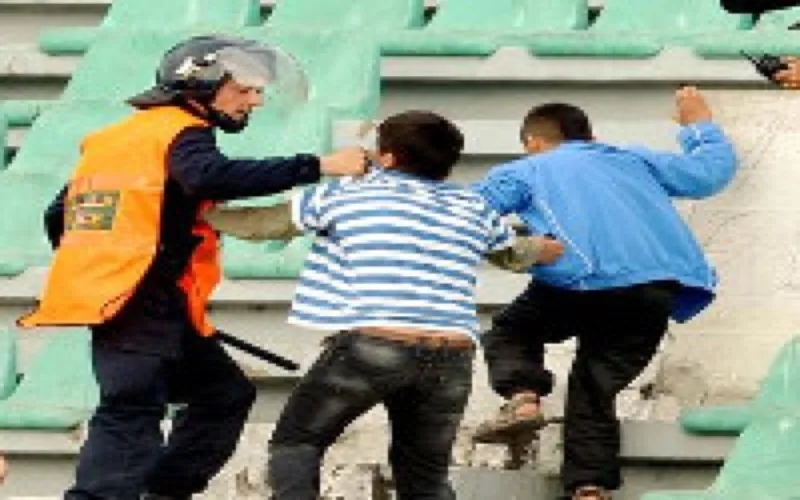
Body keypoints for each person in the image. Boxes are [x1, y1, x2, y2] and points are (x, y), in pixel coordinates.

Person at [16, 35, 367, 500]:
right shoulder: (182, 131)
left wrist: (106, 268)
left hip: (141, 300)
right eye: (244, 88)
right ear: (202, 83)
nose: (256, 100)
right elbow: (211, 175)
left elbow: (59, 214)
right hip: (142, 301)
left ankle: (162, 491)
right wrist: (320, 164)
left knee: (223, 395)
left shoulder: (119, 137)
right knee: (130, 410)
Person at [207, 110, 564, 500]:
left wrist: (201, 213)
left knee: (298, 442)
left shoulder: (346, 192)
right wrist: (548, 249)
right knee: (425, 478)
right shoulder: (473, 206)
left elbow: (262, 225)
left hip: (375, 344)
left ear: (389, 158)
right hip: (452, 352)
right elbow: (514, 254)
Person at [471, 87, 738, 500]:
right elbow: (709, 173)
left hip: (582, 280)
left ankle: (524, 398)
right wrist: (698, 123)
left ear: (533, 142)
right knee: (594, 388)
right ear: (591, 136)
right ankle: (589, 487)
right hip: (655, 287)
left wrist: (524, 251)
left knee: (510, 332)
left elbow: (465, 218)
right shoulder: (632, 158)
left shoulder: (527, 168)